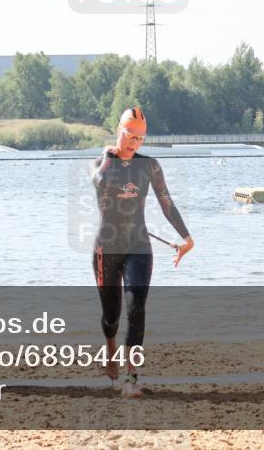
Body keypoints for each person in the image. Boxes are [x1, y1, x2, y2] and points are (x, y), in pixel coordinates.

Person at [91, 107, 194, 399]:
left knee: (136, 309)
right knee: (111, 316)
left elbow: (166, 202)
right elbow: (99, 183)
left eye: (139, 138)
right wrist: (110, 157)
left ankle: (130, 377)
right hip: (106, 248)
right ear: (118, 130)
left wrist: (186, 238)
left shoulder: (150, 166)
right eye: (129, 134)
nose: (133, 142)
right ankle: (110, 350)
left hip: (138, 247)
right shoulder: (102, 162)